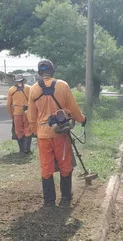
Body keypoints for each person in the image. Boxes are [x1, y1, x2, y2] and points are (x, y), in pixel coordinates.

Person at [27, 60, 87, 207]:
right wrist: (82, 119)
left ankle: (49, 201)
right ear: (53, 71)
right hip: (60, 133)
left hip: (43, 136)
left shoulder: (33, 89)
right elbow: (73, 108)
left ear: (40, 73)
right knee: (65, 164)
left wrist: (38, 132)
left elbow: (31, 117)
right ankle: (65, 199)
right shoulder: (62, 85)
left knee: (46, 167)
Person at [7, 74, 33, 154]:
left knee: (18, 131)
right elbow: (33, 101)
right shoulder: (29, 88)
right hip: (27, 112)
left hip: (16, 113)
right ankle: (27, 150)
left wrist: (12, 115)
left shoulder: (11, 90)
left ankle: (21, 150)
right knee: (28, 130)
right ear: (23, 80)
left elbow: (8, 104)